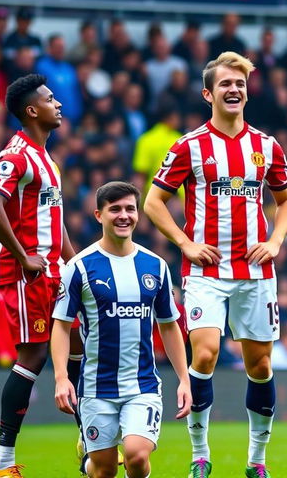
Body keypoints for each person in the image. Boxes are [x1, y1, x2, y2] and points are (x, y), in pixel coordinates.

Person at [144, 52, 287, 478]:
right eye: (226, 84)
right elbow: (153, 202)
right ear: (208, 92)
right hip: (206, 272)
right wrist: (184, 242)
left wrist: (276, 239)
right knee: (206, 353)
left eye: (240, 84)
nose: (234, 90)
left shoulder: (267, 147)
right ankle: (199, 455)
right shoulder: (189, 146)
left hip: (255, 273)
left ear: (247, 93)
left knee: (260, 366)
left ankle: (256, 461)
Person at [51, 181, 192, 478]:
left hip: (142, 386)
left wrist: (184, 379)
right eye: (114, 209)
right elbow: (62, 326)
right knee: (103, 472)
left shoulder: (155, 266)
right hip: (95, 389)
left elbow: (169, 326)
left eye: (130, 208)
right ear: (99, 215)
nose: (123, 215)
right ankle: (87, 460)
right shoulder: (79, 267)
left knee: (136, 456)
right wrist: (62, 378)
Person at [0, 74, 80, 478]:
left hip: (55, 269)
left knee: (78, 344)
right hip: (27, 273)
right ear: (31, 110)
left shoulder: (48, 159)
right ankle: (2, 461)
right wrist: (23, 258)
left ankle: (92, 442)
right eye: (50, 98)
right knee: (35, 355)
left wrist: (79, 267)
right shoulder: (16, 154)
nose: (58, 103)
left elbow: (56, 225)